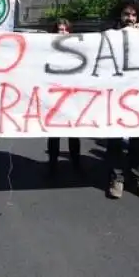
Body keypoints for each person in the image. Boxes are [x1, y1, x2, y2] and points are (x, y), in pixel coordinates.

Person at [104, 0, 139, 201]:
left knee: (137, 143)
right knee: (115, 142)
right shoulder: (108, 34)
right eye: (126, 14)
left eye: (134, 15)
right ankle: (116, 180)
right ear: (120, 15)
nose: (130, 18)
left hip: (137, 98)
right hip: (114, 97)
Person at [46, 18, 82, 178]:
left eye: (65, 29)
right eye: (60, 29)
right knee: (53, 133)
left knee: (73, 132)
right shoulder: (46, 50)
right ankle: (52, 164)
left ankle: (76, 163)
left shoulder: (77, 49)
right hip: (54, 96)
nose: (63, 32)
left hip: (72, 97)